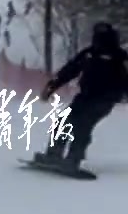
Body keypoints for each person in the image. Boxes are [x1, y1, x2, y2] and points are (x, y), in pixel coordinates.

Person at [38, 21, 128, 171]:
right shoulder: (89, 53)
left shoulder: (119, 56)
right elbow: (70, 70)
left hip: (105, 99)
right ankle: (53, 154)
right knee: (63, 121)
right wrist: (52, 86)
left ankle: (74, 158)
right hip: (85, 96)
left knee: (82, 124)